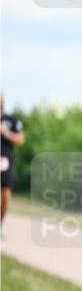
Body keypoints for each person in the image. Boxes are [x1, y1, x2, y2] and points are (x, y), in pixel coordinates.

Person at [0, 92, 26, 237]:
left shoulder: (11, 120)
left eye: (2, 100)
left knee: (6, 193)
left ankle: (1, 224)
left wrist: (6, 133)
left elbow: (21, 140)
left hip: (5, 161)